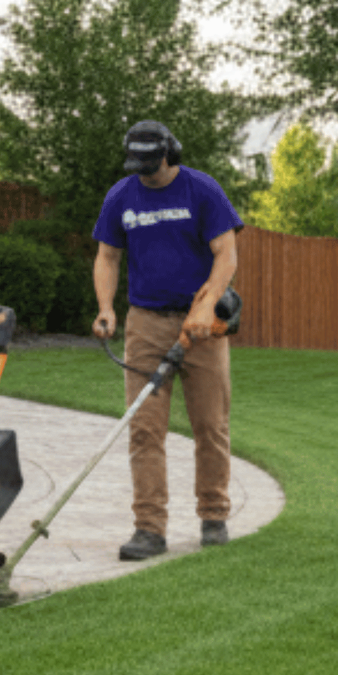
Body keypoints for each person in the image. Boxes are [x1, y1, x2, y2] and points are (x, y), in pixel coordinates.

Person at [92, 120, 244, 560]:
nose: (145, 174)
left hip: (201, 325)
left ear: (169, 154)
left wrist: (207, 304)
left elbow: (226, 254)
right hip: (145, 323)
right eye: (137, 165)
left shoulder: (202, 190)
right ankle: (149, 529)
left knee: (210, 426)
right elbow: (107, 256)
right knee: (144, 429)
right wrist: (106, 307)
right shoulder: (122, 196)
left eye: (151, 164)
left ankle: (213, 516)